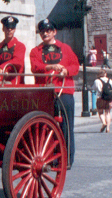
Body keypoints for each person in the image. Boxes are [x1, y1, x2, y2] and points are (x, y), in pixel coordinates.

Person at [30, 19, 80, 168]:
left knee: (66, 127)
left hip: (64, 92)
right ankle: (48, 158)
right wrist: (50, 67)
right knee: (44, 127)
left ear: (54, 32)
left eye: (48, 31)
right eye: (42, 31)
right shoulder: (35, 51)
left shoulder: (65, 48)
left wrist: (66, 70)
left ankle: (66, 159)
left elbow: (75, 66)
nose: (45, 33)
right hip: (45, 93)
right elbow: (35, 67)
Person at [0, 16, 26, 83]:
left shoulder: (20, 46)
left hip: (14, 86)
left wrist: (2, 67)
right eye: (7, 28)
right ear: (3, 29)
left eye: (12, 28)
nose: (9, 30)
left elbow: (18, 62)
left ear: (15, 29)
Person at [94, 68, 112, 133]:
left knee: (100, 112)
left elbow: (94, 88)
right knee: (107, 112)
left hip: (100, 98)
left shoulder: (97, 81)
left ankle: (104, 123)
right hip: (109, 98)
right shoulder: (110, 80)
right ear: (105, 74)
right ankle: (108, 128)